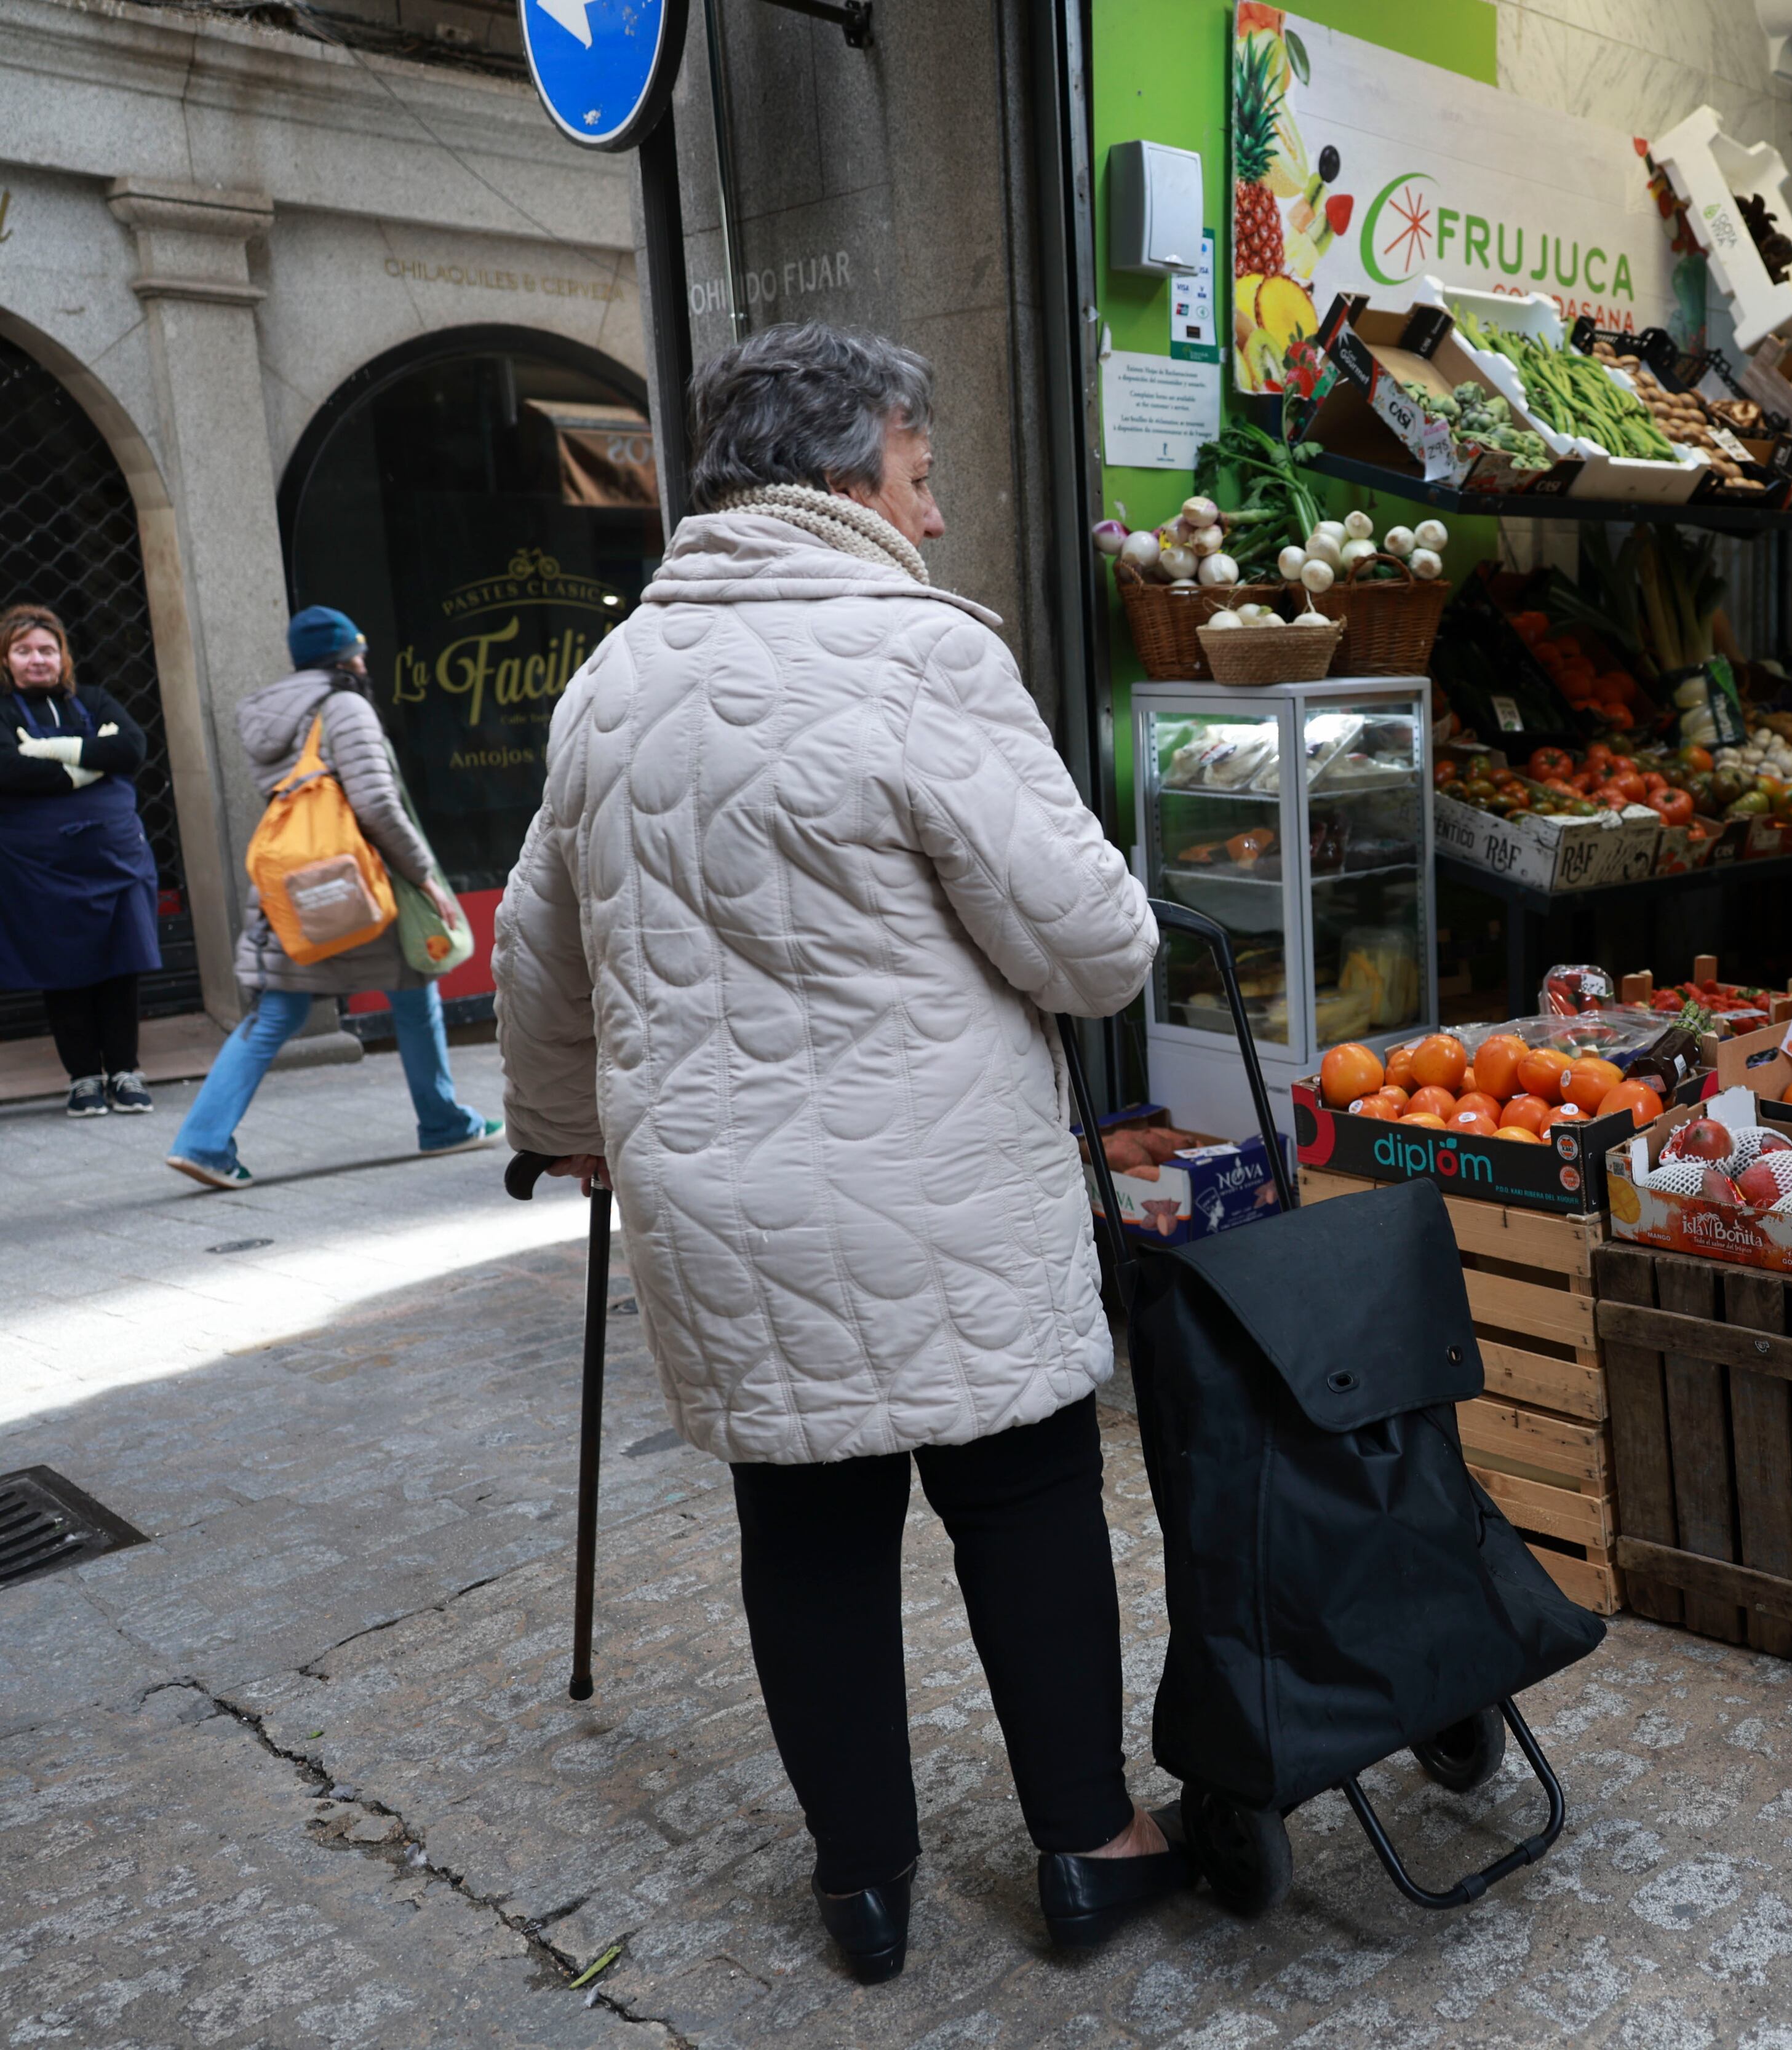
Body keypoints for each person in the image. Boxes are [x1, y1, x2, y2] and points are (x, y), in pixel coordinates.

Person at [492, 324, 1174, 1984]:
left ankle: (863, 1886)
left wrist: (568, 1134)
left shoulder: (609, 684)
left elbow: (536, 950)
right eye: (922, 476)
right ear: (850, 465)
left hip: (719, 1204)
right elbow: (1093, 947)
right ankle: (1089, 1844)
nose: (934, 519)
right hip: (932, 1186)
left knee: (805, 1525)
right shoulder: (919, 653)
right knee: (1020, 1495)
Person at [164, 607, 501, 1188]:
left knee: (279, 1011)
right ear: (347, 657)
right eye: (359, 651)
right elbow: (376, 805)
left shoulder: (274, 714)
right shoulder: (345, 705)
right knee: (415, 983)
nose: (365, 661)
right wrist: (425, 877)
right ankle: (443, 1122)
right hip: (359, 879)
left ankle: (202, 1139)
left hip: (297, 886)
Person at [1, 603, 160, 1117]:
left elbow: (131, 748)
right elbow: (7, 770)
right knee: (61, 966)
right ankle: (84, 1078)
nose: (37, 659)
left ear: (63, 656)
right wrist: (86, 764)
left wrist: (53, 752)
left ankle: (125, 1071)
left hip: (114, 864)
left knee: (121, 963)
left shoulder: (93, 700)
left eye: (47, 649)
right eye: (23, 650)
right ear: (6, 659)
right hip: (42, 870)